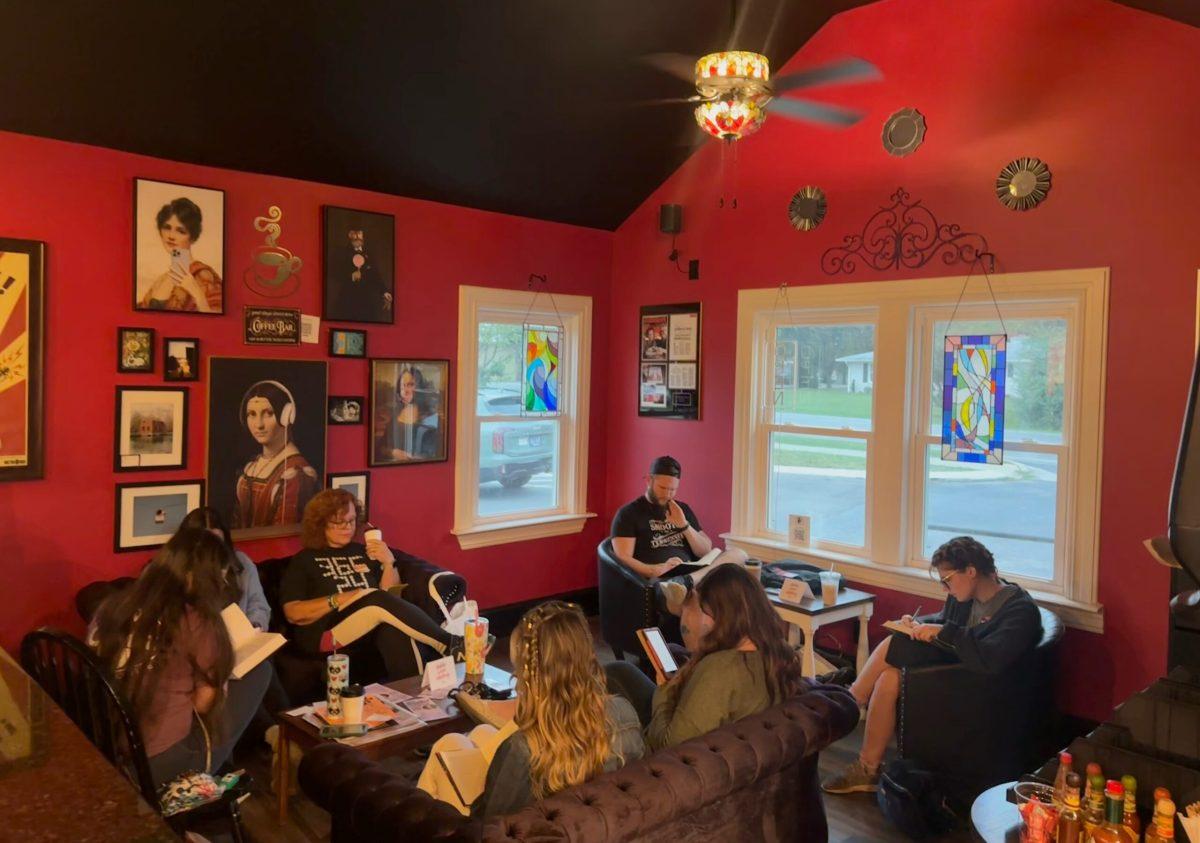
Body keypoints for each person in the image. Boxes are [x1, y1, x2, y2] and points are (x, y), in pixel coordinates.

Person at [821, 536, 1043, 794]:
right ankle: (867, 768)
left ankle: (849, 702)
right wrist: (918, 624)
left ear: (971, 571)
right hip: (954, 668)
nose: (944, 589)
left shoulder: (1019, 611)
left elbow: (991, 657)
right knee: (889, 676)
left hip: (981, 687)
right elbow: (945, 622)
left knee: (894, 646)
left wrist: (941, 632)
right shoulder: (963, 597)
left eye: (947, 580)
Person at [418, 601, 645, 817]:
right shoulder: (624, 714)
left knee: (444, 750)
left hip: (515, 830)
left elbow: (492, 825)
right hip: (596, 824)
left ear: (530, 674)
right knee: (478, 735)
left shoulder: (523, 747)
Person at [91, 529, 271, 786]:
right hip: (159, 762)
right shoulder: (198, 621)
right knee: (259, 671)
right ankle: (207, 779)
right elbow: (203, 704)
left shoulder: (111, 606)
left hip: (106, 743)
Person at [605, 564, 806, 750]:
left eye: (702, 610)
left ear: (719, 616)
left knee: (613, 686)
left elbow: (669, 745)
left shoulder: (721, 668)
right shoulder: (778, 652)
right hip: (720, 741)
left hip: (670, 761)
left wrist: (665, 689)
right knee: (621, 670)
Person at [279, 489, 460, 678]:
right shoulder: (304, 560)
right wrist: (339, 599)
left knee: (394, 627)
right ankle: (450, 644)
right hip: (326, 635)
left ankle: (417, 698)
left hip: (368, 625)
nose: (347, 527)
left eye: (351, 520)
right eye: (339, 522)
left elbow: (391, 599)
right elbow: (293, 613)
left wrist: (388, 563)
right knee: (372, 596)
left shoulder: (364, 552)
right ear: (320, 524)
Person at [610, 455, 747, 614]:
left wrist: (684, 526)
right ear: (649, 480)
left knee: (739, 553)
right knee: (704, 605)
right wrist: (654, 570)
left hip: (693, 574)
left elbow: (704, 550)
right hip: (663, 581)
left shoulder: (682, 509)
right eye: (663, 488)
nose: (668, 494)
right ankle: (685, 585)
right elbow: (622, 557)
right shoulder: (628, 513)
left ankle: (687, 582)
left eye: (673, 489)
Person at [232, 379, 320, 529]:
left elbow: (284, 532)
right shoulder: (251, 467)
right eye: (252, 414)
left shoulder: (296, 473)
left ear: (286, 415)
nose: (259, 424)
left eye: (268, 414)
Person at [180, 506, 270, 630]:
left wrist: (255, 626)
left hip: (241, 638)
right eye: (206, 538)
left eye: (215, 537)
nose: (212, 544)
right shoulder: (180, 568)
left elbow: (258, 604)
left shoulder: (241, 562)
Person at [138, 197, 222, 312]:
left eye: (180, 231)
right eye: (167, 228)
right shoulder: (163, 279)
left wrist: (197, 294)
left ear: (192, 237)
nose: (171, 236)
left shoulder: (203, 275)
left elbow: (217, 323)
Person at [375, 365, 439, 463]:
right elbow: (381, 447)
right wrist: (392, 452)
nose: (404, 391)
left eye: (410, 385)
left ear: (419, 387)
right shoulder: (395, 413)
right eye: (402, 386)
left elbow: (434, 455)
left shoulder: (430, 417)